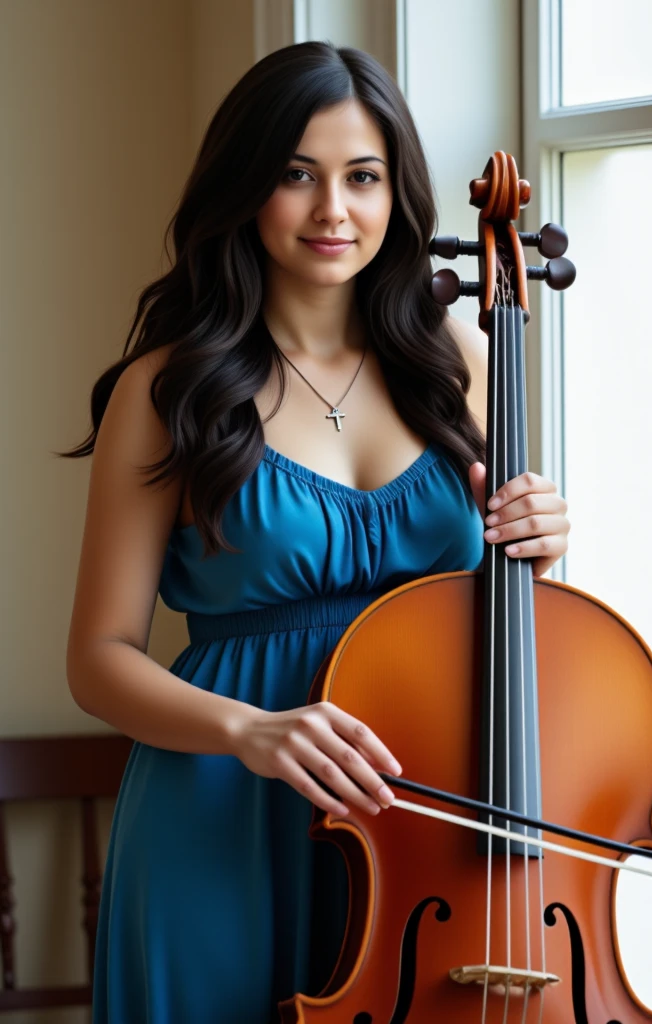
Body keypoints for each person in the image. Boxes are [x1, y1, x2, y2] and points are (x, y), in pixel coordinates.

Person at [59, 40, 570, 1024]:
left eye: (363, 177)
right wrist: (250, 730)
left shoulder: (460, 356)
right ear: (247, 187)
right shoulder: (167, 390)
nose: (334, 211)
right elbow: (97, 656)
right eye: (298, 175)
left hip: (413, 809)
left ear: (398, 193)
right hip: (217, 809)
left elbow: (506, 608)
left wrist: (542, 546)